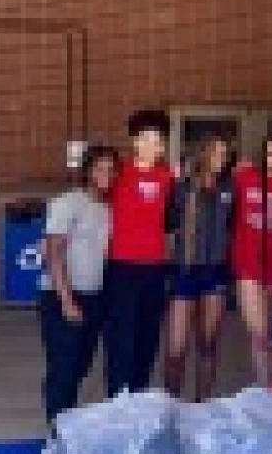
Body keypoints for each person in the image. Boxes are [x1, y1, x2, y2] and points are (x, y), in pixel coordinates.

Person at [39, 144, 118, 425]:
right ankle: (58, 427)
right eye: (99, 169)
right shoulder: (67, 203)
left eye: (111, 169)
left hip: (94, 297)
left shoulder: (109, 208)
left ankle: (65, 418)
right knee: (64, 365)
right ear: (87, 171)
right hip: (62, 296)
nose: (106, 174)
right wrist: (66, 300)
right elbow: (53, 253)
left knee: (82, 364)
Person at [103, 109, 175, 397]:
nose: (152, 145)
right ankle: (117, 404)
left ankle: (139, 402)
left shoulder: (168, 176)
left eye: (158, 141)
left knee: (147, 340)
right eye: (145, 139)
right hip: (122, 268)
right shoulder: (117, 173)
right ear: (134, 142)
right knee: (121, 340)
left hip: (155, 269)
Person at [162, 135, 233, 402]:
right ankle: (172, 406)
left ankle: (203, 405)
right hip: (185, 271)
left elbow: (233, 226)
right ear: (202, 154)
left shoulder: (230, 186)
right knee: (176, 348)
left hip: (215, 272)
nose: (221, 158)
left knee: (208, 343)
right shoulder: (181, 187)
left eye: (225, 153)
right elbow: (167, 223)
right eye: (215, 152)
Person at [232, 134, 272, 385]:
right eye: (271, 153)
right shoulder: (246, 178)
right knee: (258, 335)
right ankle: (264, 390)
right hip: (248, 267)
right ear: (263, 157)